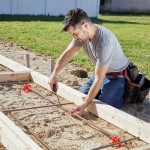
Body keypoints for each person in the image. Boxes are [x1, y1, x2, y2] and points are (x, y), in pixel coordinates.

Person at [48, 8, 130, 116]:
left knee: (102, 108)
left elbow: (98, 79)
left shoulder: (104, 42)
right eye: (72, 35)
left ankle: (124, 94)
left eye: (75, 34)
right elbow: (68, 53)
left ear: (85, 26)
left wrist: (85, 104)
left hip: (117, 77)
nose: (74, 38)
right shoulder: (81, 36)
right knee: (80, 97)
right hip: (101, 73)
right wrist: (54, 74)